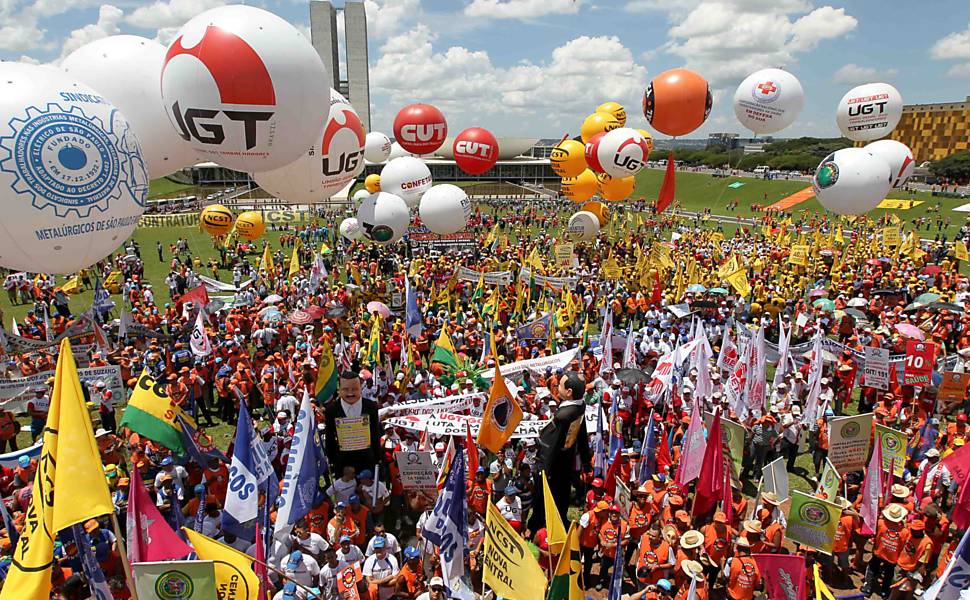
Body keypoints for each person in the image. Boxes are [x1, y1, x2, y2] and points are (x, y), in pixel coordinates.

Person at [324, 370, 381, 475]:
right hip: (342, 461)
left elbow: (375, 433)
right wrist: (332, 459)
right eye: (345, 389)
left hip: (366, 459)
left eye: (354, 389)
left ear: (360, 388)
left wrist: (377, 457)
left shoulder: (371, 407)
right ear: (340, 390)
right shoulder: (332, 410)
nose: (350, 393)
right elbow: (330, 436)